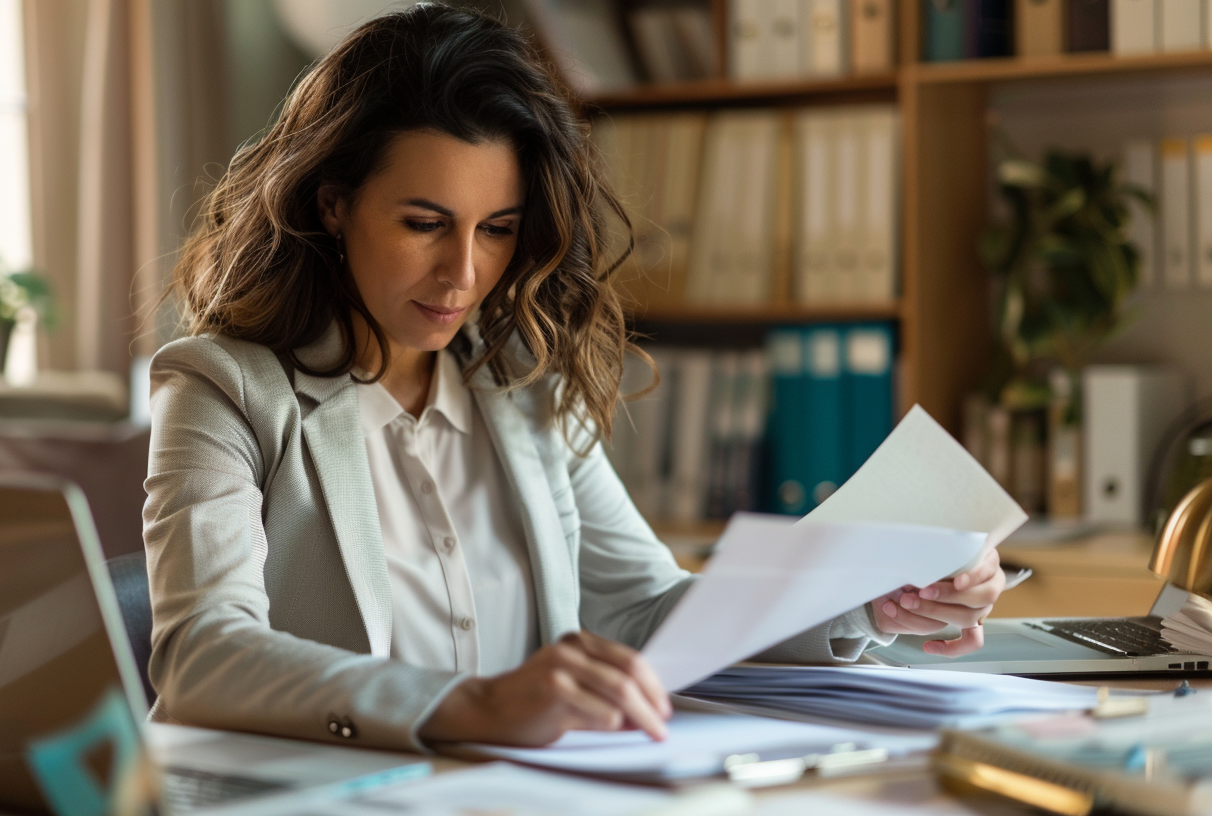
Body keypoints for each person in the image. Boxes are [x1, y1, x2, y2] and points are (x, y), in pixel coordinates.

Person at [142, 3, 1006, 753]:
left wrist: (865, 597)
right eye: (424, 223)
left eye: (498, 229)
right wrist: (470, 706)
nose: (463, 274)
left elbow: (647, 610)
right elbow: (201, 654)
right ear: (333, 203)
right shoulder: (222, 388)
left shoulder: (526, 384)